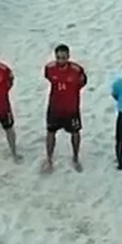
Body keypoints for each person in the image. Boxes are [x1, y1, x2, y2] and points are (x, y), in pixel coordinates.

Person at [42, 43, 88, 172]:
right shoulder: (49, 68)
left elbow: (83, 82)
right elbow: (49, 78)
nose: (61, 60)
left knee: (75, 132)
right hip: (55, 107)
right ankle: (49, 159)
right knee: (50, 132)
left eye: (63, 57)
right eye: (58, 57)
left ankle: (75, 157)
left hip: (71, 108)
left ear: (68, 56)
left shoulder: (77, 70)